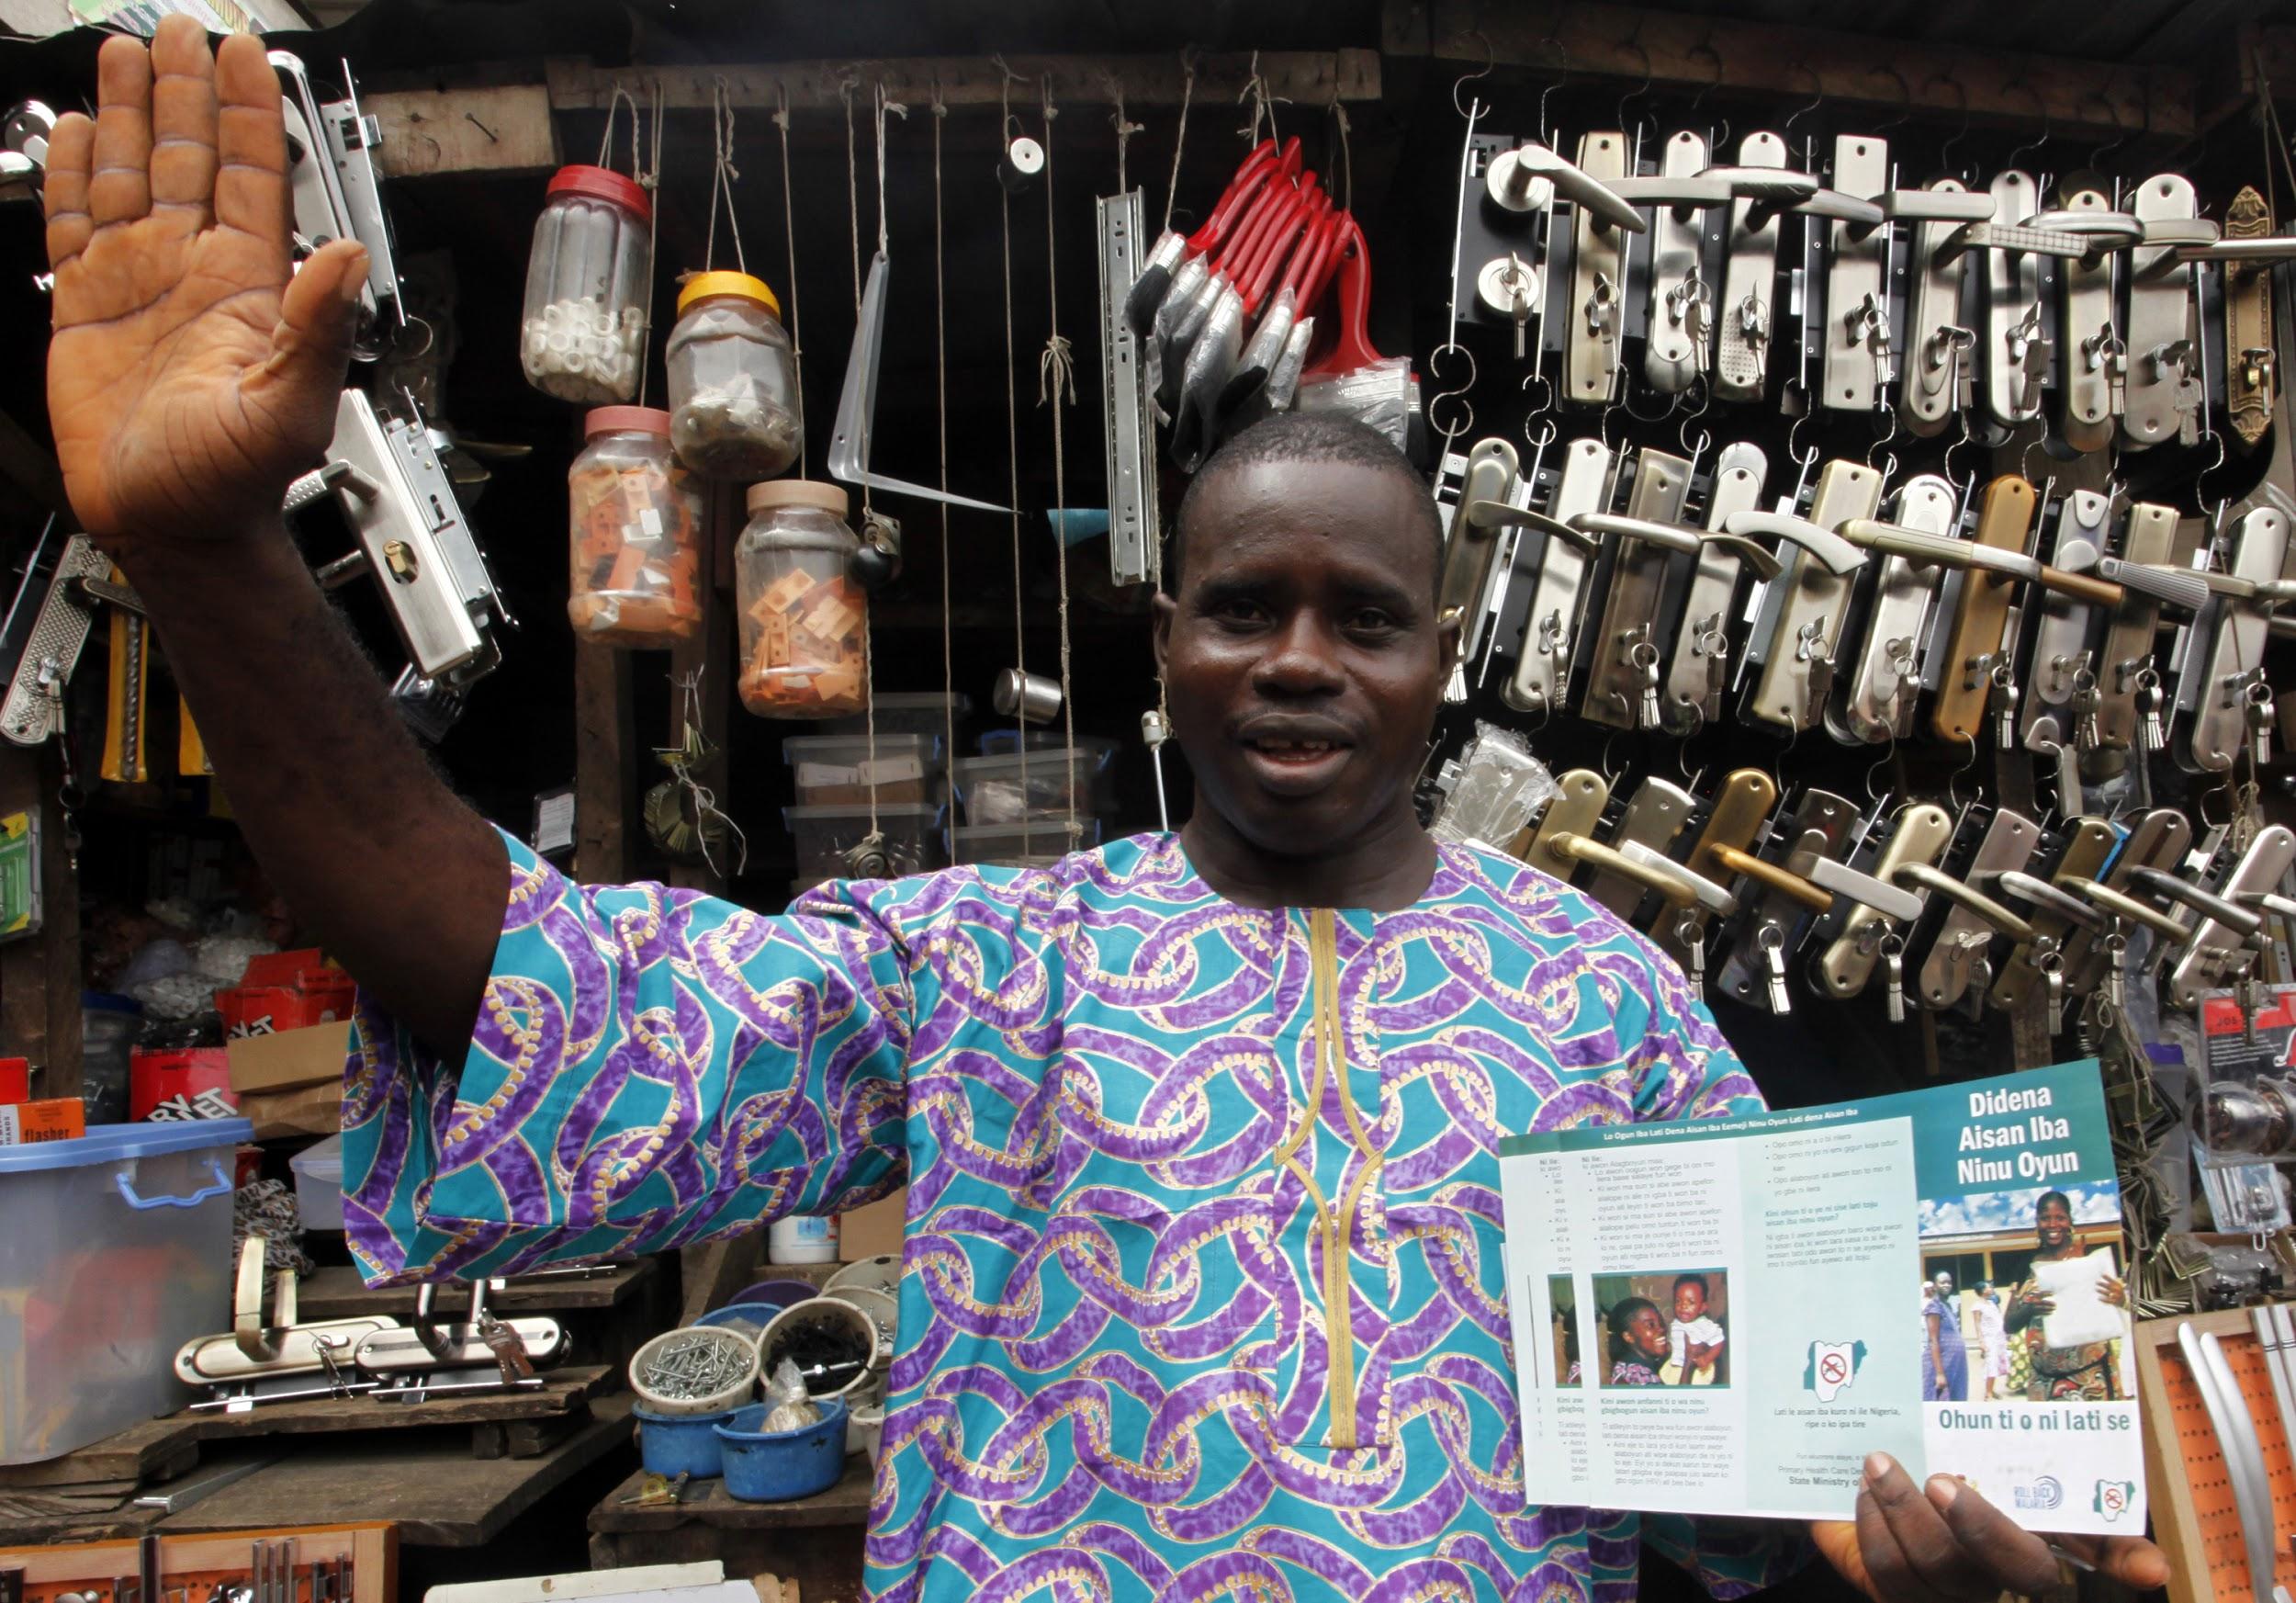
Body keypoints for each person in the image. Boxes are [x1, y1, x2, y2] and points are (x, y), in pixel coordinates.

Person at [40, 21, 2167, 1602]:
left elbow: (1765, 1444)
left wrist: (1934, 1551)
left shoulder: (1602, 1007)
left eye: (1366, 616)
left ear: (1447, 658)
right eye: (1245, 606)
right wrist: (221, 562)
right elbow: (539, 993)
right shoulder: (990, 969)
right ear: (1169, 648)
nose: (1302, 658)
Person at [2003, 1190, 2131, 1400]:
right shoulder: (2026, 1267)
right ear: (2037, 1222)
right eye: (2045, 1218)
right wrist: (2030, 1309)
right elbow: (2009, 1325)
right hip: (2043, 1384)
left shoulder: (2091, 1261)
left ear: (2070, 1221)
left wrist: (2122, 1299)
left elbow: (2123, 1308)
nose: (2053, 1224)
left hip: (2092, 1380)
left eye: (2060, 1217)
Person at [1666, 1273, 1727, 1386]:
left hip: (1697, 1370)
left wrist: (1707, 1358)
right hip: (1676, 1367)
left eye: (1691, 1302)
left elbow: (1719, 1341)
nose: (1683, 1306)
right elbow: (1673, 1342)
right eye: (1678, 1301)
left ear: (1703, 1307)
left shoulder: (1704, 1325)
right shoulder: (1675, 1323)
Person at [1604, 1298, 1672, 1386]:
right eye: (1650, 1325)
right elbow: (1674, 1399)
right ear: (1628, 1336)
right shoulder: (1640, 1376)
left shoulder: (1624, 1367)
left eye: (1661, 1322)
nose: (1661, 1329)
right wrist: (1688, 1364)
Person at [1924, 1271, 1969, 1403]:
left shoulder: (1947, 1306)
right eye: (1942, 1282)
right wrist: (1939, 1373)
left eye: (1949, 1282)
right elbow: (1933, 1340)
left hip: (1955, 1364)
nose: (1947, 1285)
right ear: (1935, 1285)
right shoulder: (1934, 1306)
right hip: (1942, 1364)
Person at [1973, 1282, 2009, 1402]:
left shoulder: (1992, 1303)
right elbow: (1977, 1324)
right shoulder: (1977, 1306)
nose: (1991, 1288)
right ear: (1983, 1291)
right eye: (1988, 1287)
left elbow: (1998, 1318)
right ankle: (1988, 1393)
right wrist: (1981, 1342)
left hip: (1999, 1338)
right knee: (1991, 1364)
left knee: (1997, 1364)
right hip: (1989, 1339)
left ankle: (1991, 1390)